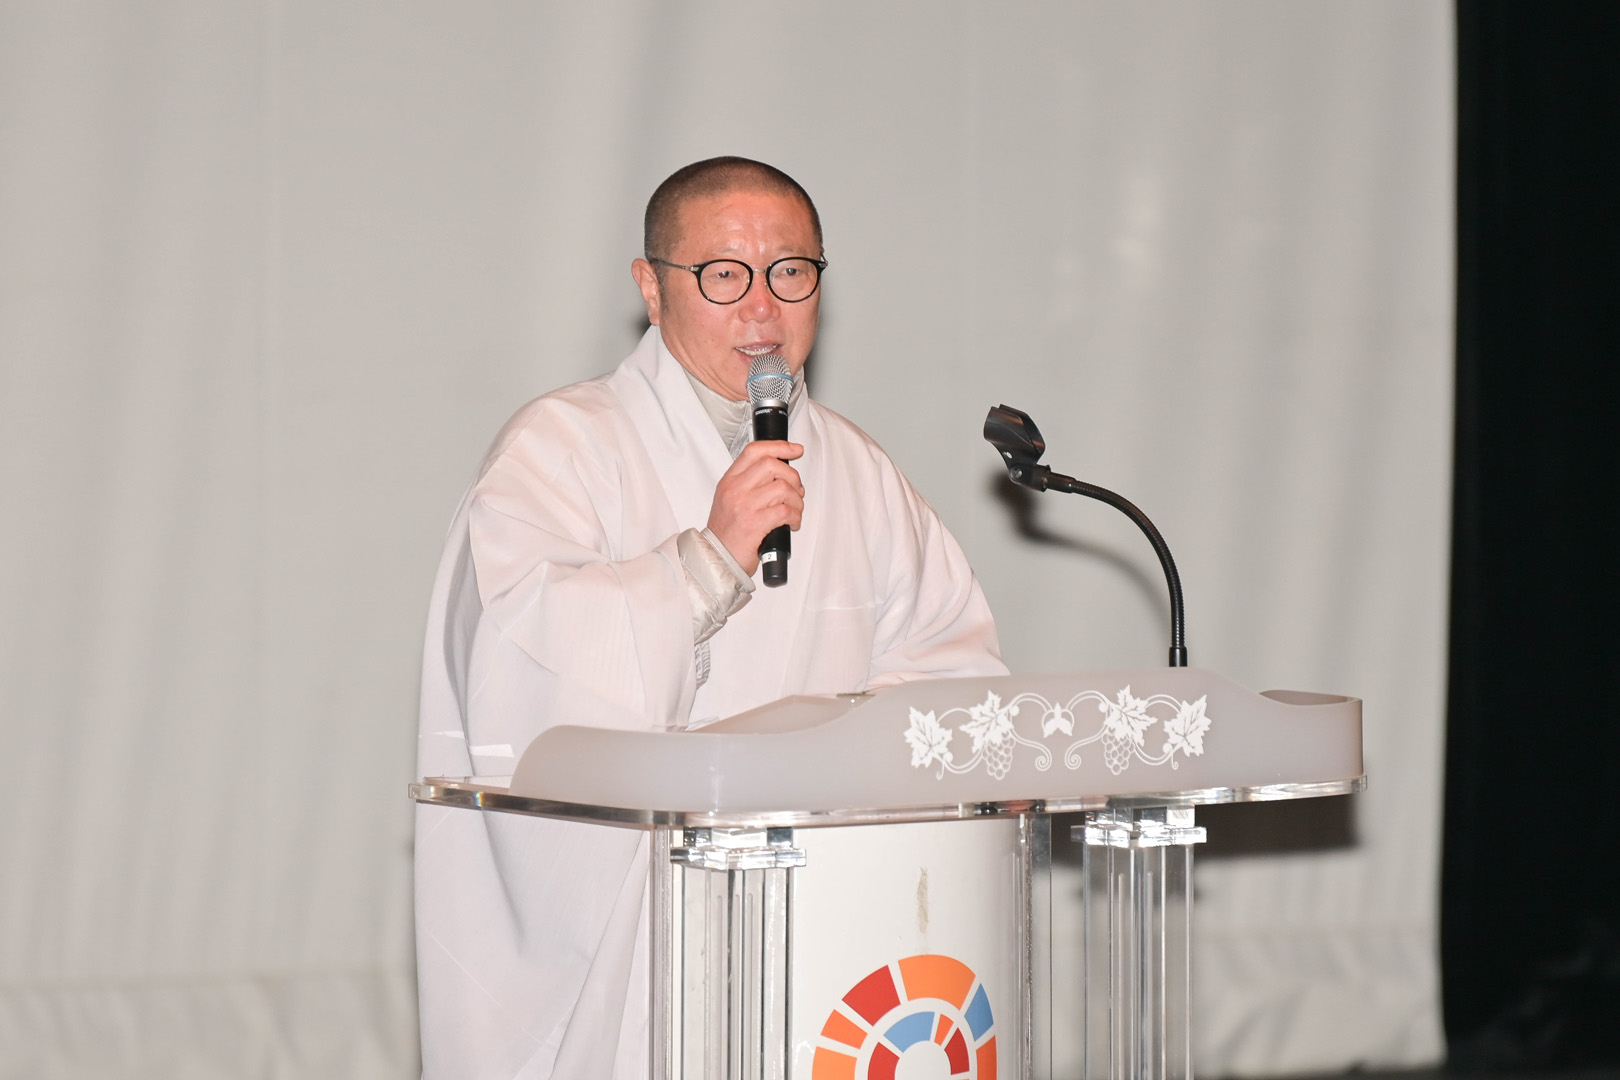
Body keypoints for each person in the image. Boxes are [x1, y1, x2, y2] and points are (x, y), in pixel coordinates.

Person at [413, 157, 1006, 1078]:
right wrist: (707, 564)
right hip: (641, 936)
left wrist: (833, 766)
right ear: (652, 289)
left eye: (791, 271)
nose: (762, 307)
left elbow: (953, 677)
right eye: (724, 274)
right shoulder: (562, 449)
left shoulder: (860, 473)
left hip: (828, 927)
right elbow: (516, 676)